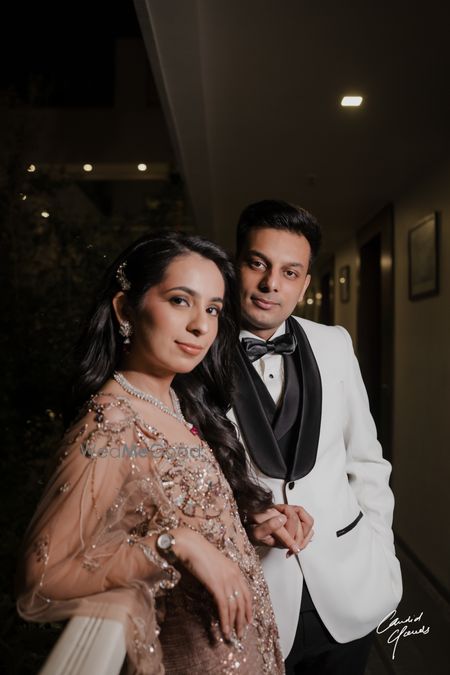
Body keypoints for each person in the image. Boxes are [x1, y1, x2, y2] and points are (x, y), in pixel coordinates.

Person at [16, 231, 303, 675]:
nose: (201, 326)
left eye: (212, 309)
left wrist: (249, 526)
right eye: (179, 301)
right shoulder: (112, 423)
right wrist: (174, 544)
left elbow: (172, 507)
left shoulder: (177, 400)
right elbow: (41, 576)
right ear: (125, 309)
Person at [227, 200, 403, 675]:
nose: (271, 284)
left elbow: (367, 462)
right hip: (252, 600)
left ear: (304, 284)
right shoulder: (196, 351)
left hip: (349, 587)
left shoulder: (335, 343)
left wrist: (382, 559)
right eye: (258, 264)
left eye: (290, 272)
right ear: (235, 265)